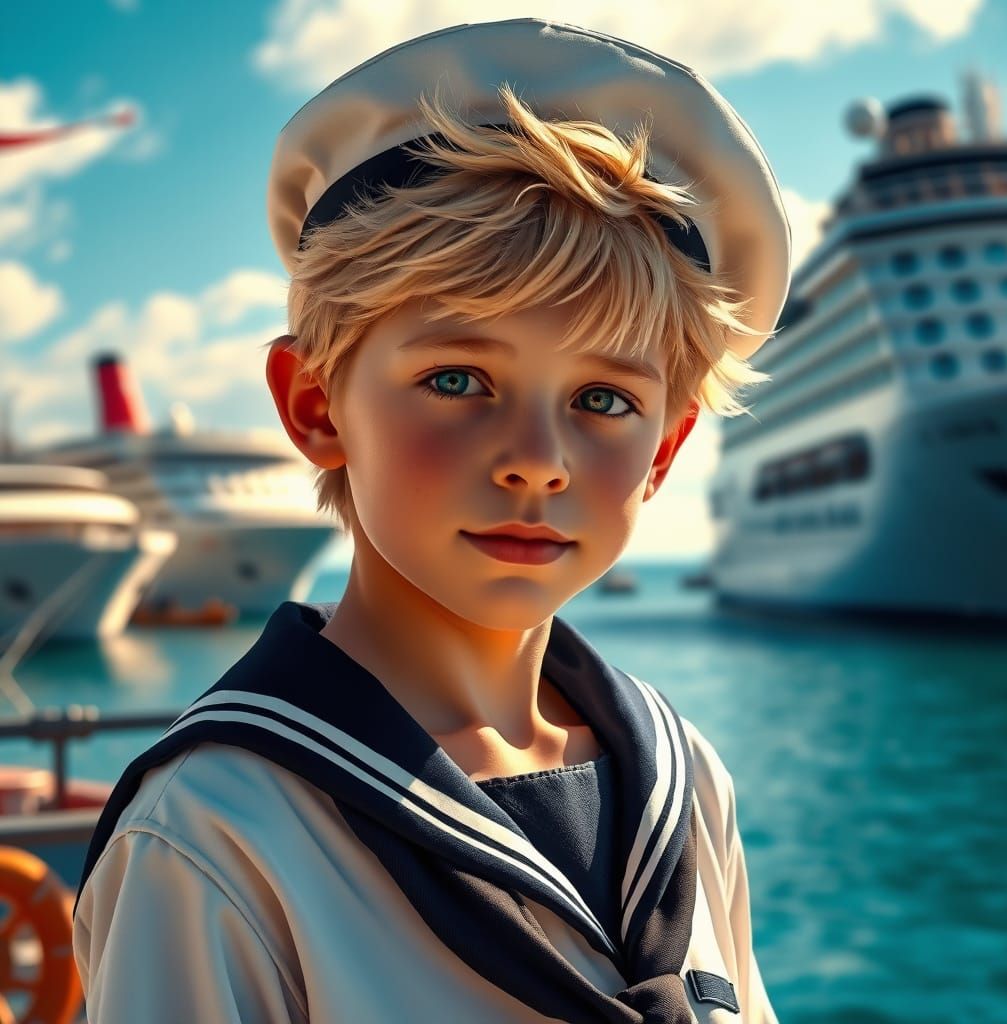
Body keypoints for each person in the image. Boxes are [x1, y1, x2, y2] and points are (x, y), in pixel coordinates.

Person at [72, 19, 790, 1023]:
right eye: (457, 379)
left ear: (662, 453)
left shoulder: (684, 776)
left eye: (605, 400)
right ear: (317, 406)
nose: (538, 459)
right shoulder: (219, 835)